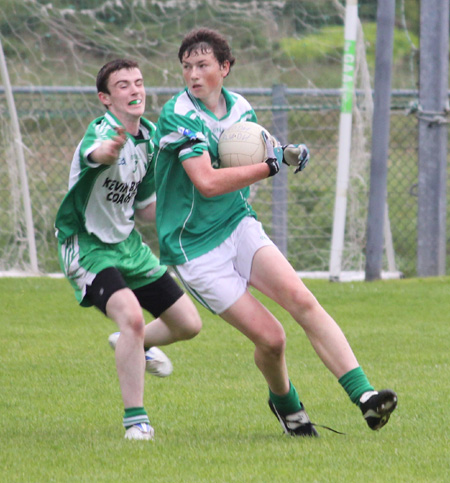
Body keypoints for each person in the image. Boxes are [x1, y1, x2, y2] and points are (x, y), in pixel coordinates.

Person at [153, 28, 397, 437]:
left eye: (202, 65)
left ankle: (366, 397)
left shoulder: (240, 108)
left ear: (225, 68)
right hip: (194, 248)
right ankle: (287, 406)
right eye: (187, 67)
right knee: (273, 340)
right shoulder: (178, 114)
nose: (193, 74)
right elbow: (208, 182)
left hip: (236, 223)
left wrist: (284, 153)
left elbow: (250, 145)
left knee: (303, 300)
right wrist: (270, 167)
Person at [55, 59, 202, 441]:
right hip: (85, 244)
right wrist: (108, 152)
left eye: (138, 82)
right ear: (105, 98)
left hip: (128, 245)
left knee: (188, 324)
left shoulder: (150, 140)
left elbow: (147, 209)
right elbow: (97, 153)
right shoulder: (102, 131)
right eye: (122, 85)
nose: (135, 90)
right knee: (132, 317)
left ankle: (131, 343)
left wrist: (194, 199)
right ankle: (136, 422)